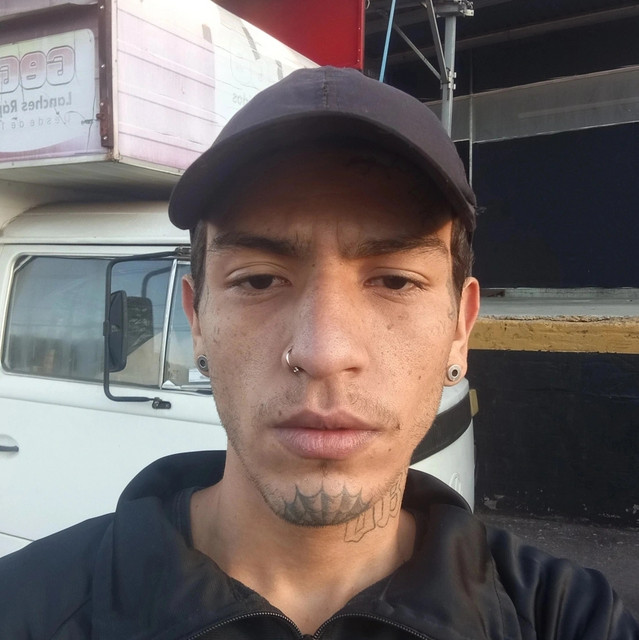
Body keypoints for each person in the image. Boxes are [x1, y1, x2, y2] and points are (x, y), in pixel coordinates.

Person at [0, 66, 636, 640]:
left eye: (395, 281)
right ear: (197, 321)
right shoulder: (24, 609)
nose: (323, 352)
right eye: (258, 280)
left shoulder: (568, 619)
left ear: (459, 330)